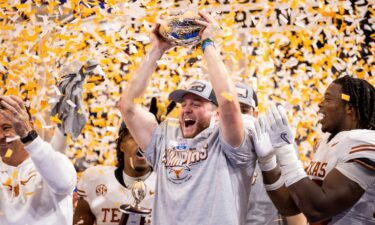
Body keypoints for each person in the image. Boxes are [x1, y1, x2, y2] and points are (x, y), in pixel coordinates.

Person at [118, 11, 256, 225]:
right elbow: (127, 106)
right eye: (184, 104)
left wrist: (207, 43)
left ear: (216, 114)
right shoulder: (165, 136)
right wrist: (157, 50)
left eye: (197, 104)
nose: (186, 109)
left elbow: (228, 102)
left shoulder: (228, 142)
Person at [252, 75, 375, 224]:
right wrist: (268, 163)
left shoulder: (365, 141)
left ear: (349, 107)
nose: (320, 104)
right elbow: (291, 207)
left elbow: (318, 209)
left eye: (328, 99)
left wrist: (285, 149)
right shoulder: (325, 143)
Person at [236, 82, 306, 225]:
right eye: (231, 111)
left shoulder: (276, 141)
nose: (238, 118)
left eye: (243, 111)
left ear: (255, 114)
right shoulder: (209, 144)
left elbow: (296, 200)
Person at [0, 95, 77, 225]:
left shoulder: (55, 162)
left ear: (29, 125)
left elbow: (63, 185)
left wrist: (28, 135)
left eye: (6, 128)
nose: (1, 136)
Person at [73, 122, 156, 225]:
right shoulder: (94, 178)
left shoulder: (167, 184)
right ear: (121, 145)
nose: (142, 143)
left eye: (148, 139)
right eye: (134, 137)